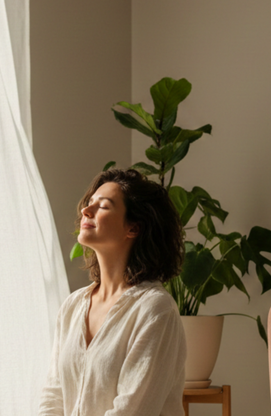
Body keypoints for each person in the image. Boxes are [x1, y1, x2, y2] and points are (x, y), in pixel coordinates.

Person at [38, 168, 187, 416]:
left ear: (134, 228)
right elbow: (53, 396)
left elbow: (132, 411)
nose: (87, 211)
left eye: (103, 206)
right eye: (90, 203)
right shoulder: (73, 306)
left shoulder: (155, 310)